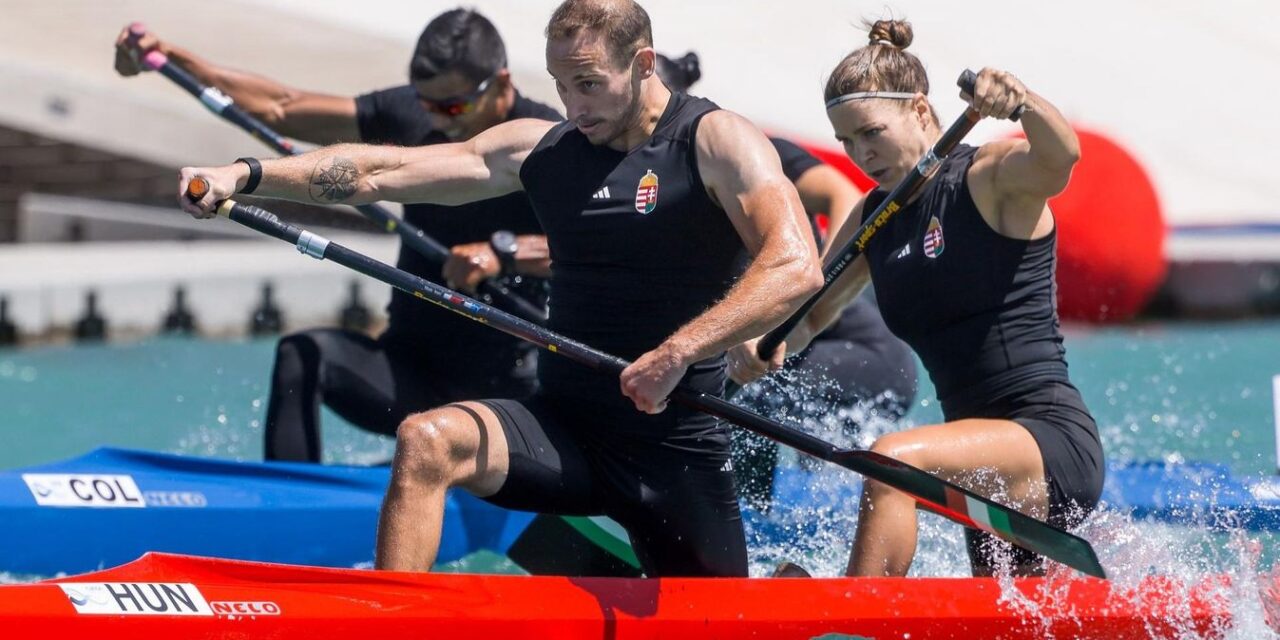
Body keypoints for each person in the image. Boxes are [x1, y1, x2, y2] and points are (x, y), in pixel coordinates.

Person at [178, 0, 823, 577]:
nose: (574, 108)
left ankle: (780, 592)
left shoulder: (713, 140)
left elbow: (796, 265)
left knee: (724, 617)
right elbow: (382, 171)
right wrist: (248, 173)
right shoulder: (542, 150)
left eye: (591, 85)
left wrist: (679, 351)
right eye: (563, 86)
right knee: (427, 442)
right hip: (565, 427)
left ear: (644, 62)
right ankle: (392, 621)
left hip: (672, 444)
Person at [729, 19, 1104, 577]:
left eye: (871, 133)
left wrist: (1021, 101)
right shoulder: (873, 218)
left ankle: (850, 622)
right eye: (847, 141)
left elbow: (1060, 157)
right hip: (968, 457)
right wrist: (754, 345)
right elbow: (808, 319)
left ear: (922, 113)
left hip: (1046, 440)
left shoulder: (990, 179)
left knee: (890, 461)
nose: (860, 153)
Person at [116, 10, 563, 462]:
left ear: (501, 83)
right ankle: (293, 505)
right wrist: (173, 58)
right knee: (303, 354)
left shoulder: (547, 142)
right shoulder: (413, 114)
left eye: (451, 107)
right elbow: (281, 107)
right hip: (410, 370)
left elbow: (604, 243)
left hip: (503, 396)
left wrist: (503, 254)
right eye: (426, 104)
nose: (437, 119)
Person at [656, 51, 918, 509]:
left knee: (745, 400)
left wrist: (801, 279)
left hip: (862, 353)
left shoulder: (745, 152)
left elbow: (845, 193)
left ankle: (742, 531)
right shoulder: (639, 181)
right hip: (782, 354)